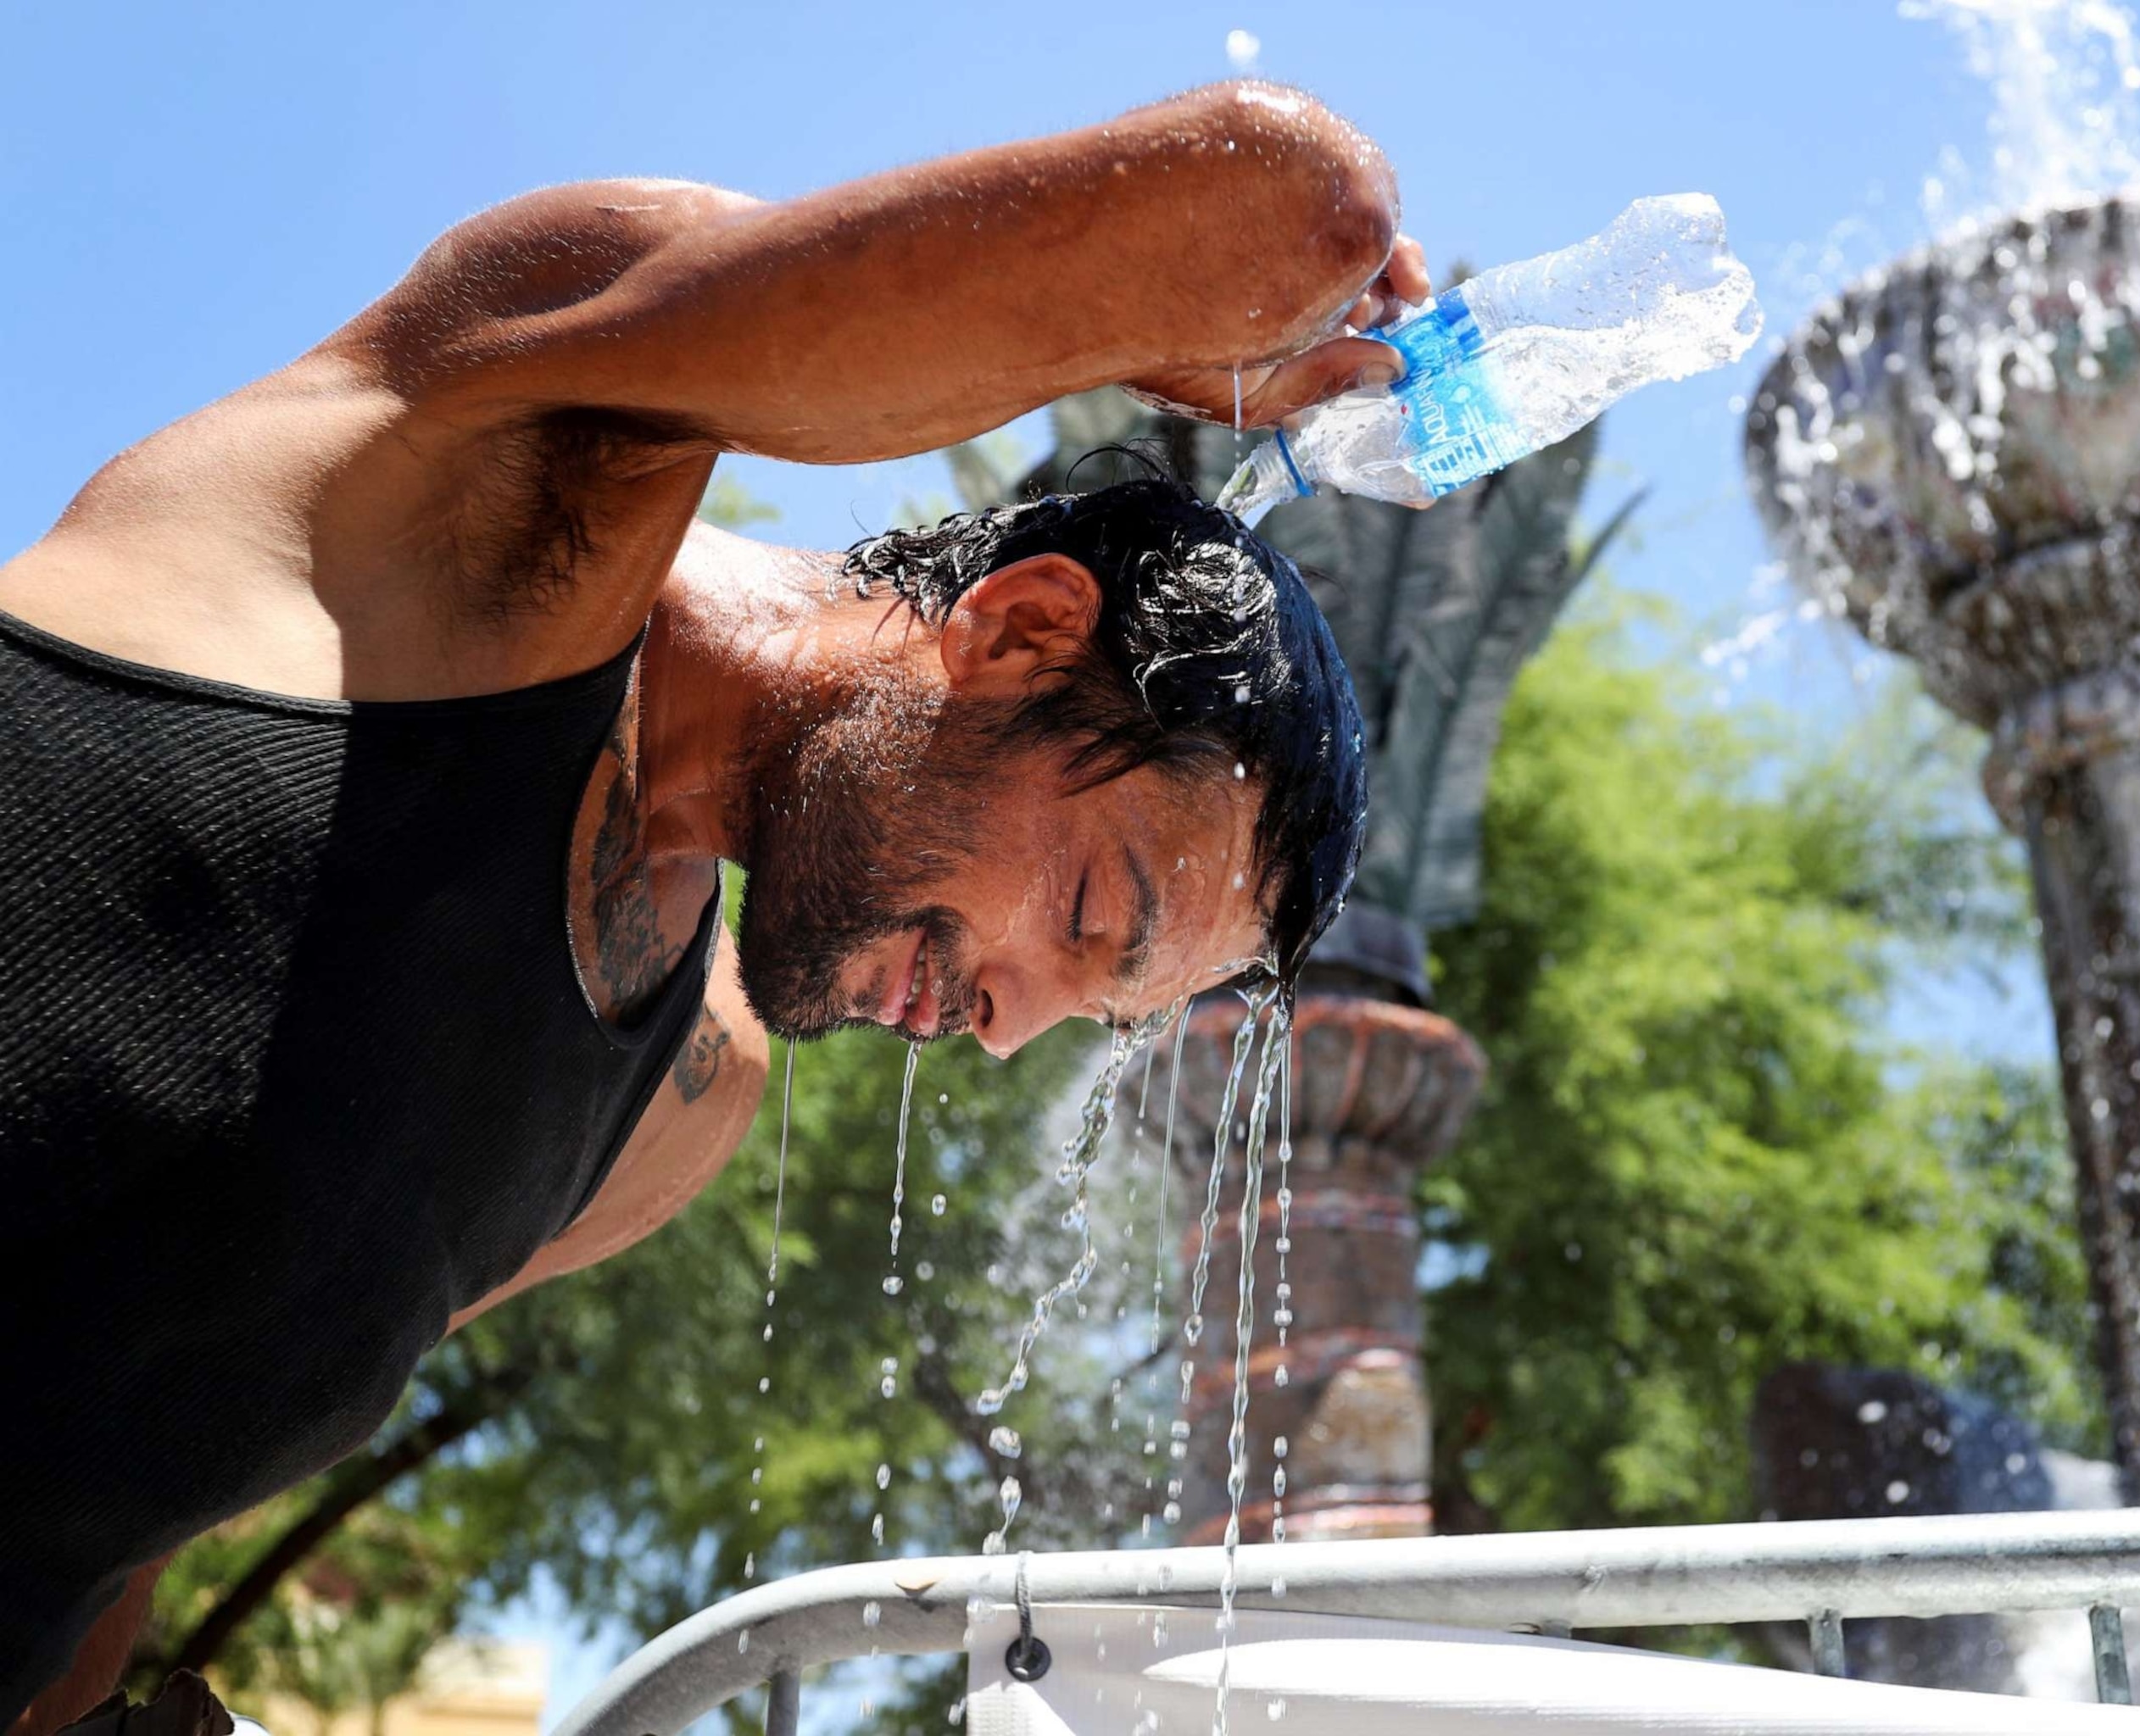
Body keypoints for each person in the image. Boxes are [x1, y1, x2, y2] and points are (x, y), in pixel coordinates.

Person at [0, 81, 1425, 1728]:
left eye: (1084, 1013)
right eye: (1089, 912)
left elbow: (129, 1455)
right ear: (1022, 629)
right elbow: (1288, 202)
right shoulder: (513, 482)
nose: (1005, 1020)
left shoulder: (681, 1105)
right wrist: (1240, 337)